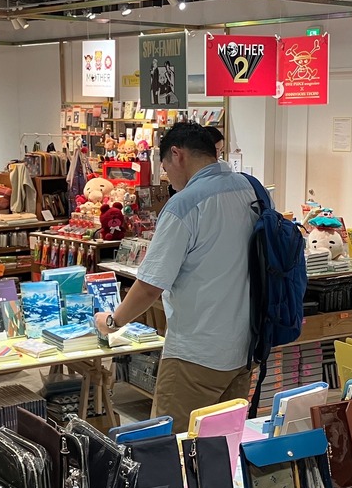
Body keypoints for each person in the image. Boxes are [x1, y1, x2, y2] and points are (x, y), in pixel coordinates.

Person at [94, 123, 254, 433]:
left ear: (177, 155)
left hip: (196, 354)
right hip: (245, 348)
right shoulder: (249, 189)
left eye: (165, 167)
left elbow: (150, 286)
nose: (167, 177)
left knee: (171, 445)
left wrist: (113, 321)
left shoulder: (185, 204)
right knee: (222, 443)